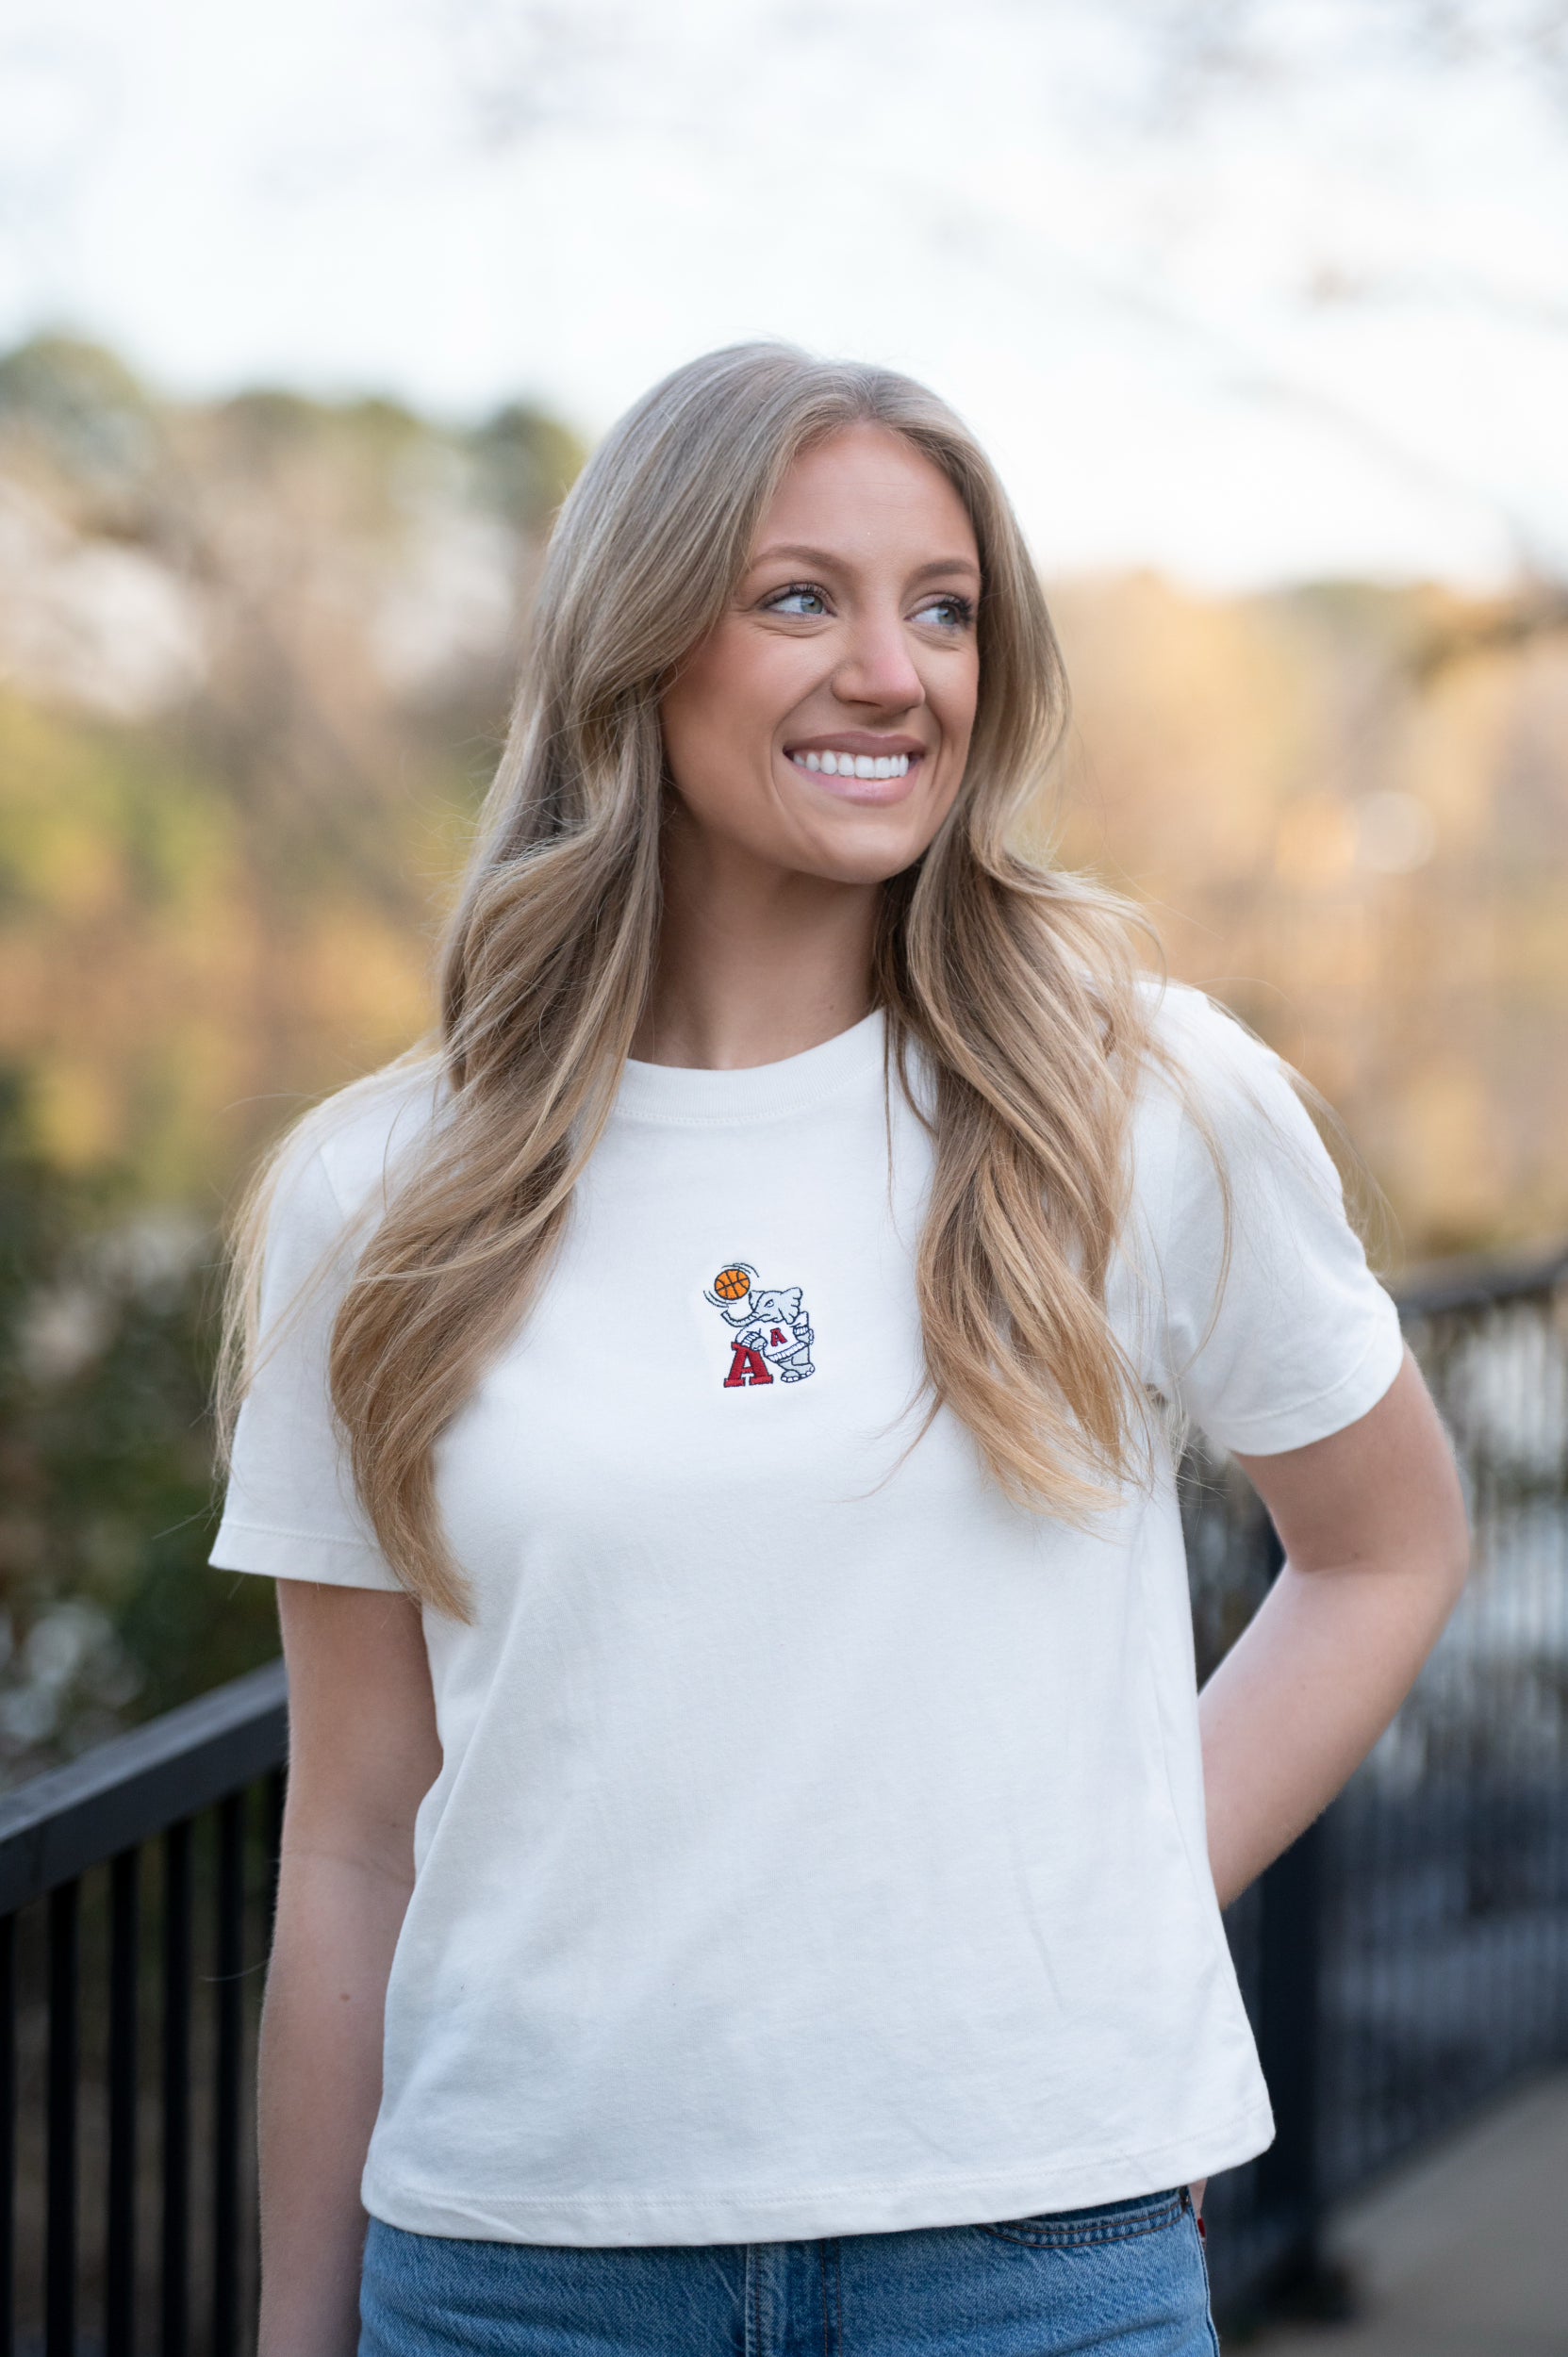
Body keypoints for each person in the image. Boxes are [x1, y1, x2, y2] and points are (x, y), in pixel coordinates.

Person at [210, 343, 1470, 2357]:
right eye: (800, 594)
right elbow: (355, 1826)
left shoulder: (1141, 1102)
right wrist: (296, 2328)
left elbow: (1386, 1542)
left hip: (1029, 2254)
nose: (894, 670)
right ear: (638, 646)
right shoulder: (386, 1184)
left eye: (944, 606)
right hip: (518, 2266)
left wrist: (1138, 1877)